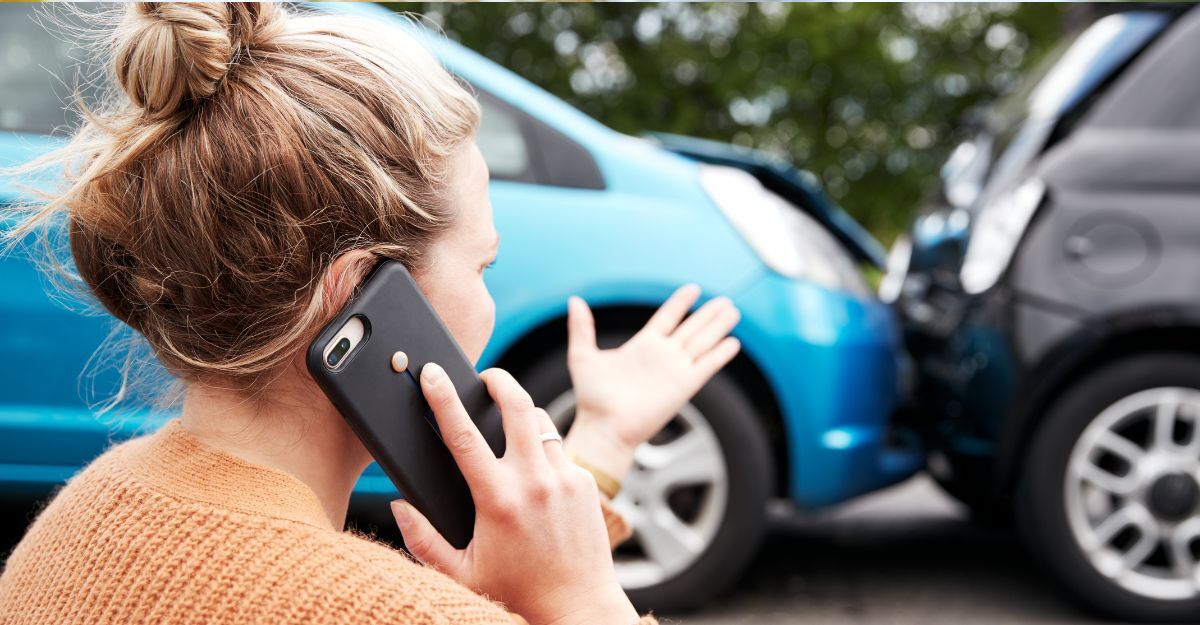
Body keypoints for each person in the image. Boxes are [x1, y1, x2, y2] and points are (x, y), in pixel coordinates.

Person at [0, 4, 743, 625]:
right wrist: (583, 600)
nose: (488, 293)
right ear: (356, 294)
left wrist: (603, 444)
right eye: (482, 264)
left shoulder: (89, 508)